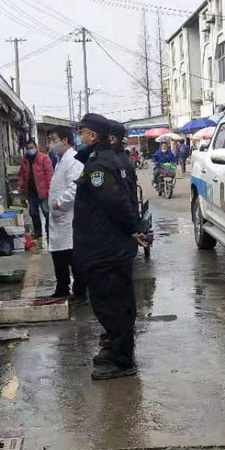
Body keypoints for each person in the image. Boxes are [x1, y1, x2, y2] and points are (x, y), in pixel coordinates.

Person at [72, 113, 146, 380]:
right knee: (116, 302)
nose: (79, 137)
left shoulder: (99, 166)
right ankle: (117, 349)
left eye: (82, 132)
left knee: (112, 304)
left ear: (92, 135)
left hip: (105, 246)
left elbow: (115, 202)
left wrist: (133, 228)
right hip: (108, 244)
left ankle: (121, 359)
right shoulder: (109, 159)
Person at [46, 126, 86, 302]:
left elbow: (75, 188)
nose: (51, 144)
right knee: (59, 256)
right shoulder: (61, 160)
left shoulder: (74, 161)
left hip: (68, 218)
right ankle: (62, 289)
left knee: (73, 258)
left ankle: (80, 293)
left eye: (54, 140)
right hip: (59, 219)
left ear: (65, 141)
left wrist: (59, 203)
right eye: (50, 140)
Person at [18, 139, 53, 241]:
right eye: (28, 148)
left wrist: (49, 188)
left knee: (46, 212)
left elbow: (49, 174)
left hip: (43, 191)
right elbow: (21, 174)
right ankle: (38, 232)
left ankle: (49, 231)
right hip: (31, 191)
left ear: (36, 147)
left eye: (32, 148)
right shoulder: (24, 160)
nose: (30, 150)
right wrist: (20, 185)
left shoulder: (44, 158)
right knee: (33, 212)